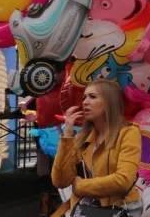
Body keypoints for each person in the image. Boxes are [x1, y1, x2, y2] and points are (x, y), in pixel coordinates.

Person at [51, 80, 141, 217]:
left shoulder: (128, 133)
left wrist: (81, 187)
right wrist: (67, 136)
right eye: (84, 97)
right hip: (84, 210)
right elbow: (60, 181)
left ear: (109, 102)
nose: (85, 102)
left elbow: (122, 181)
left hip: (119, 210)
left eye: (92, 97)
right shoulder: (83, 138)